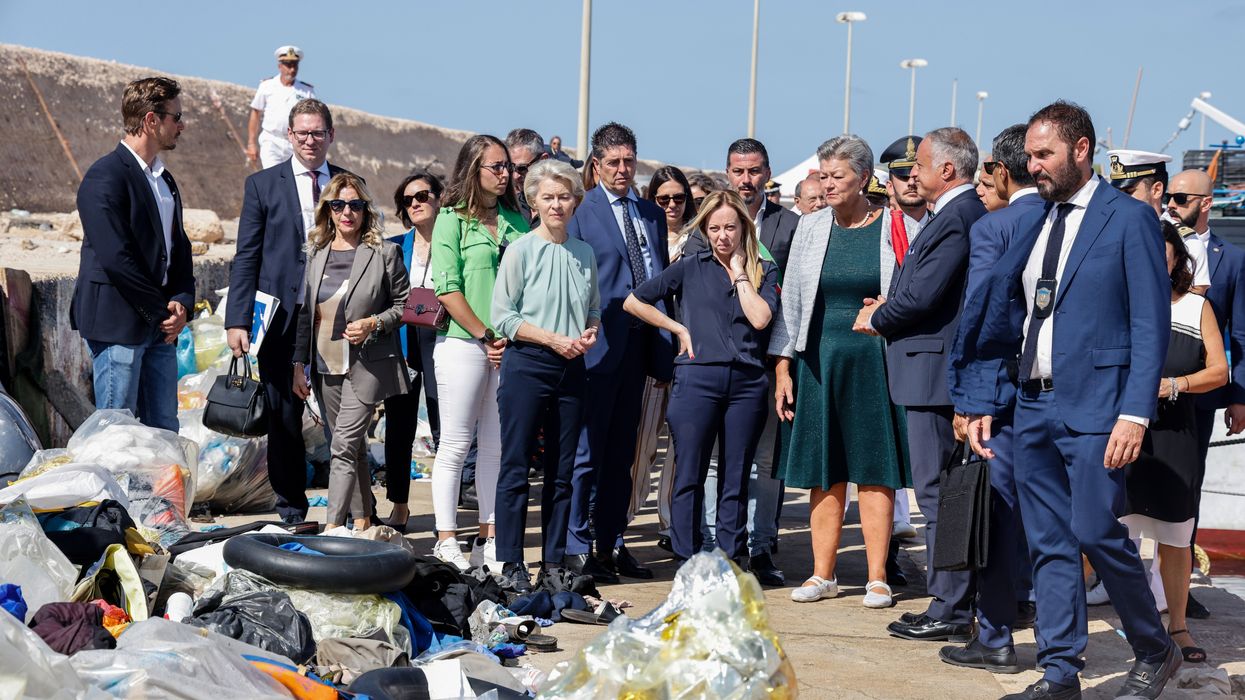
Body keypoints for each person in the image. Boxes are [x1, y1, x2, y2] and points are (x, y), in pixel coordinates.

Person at [956, 100, 1178, 700]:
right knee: (1048, 541)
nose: (1033, 167)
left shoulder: (1127, 219)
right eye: (1028, 156)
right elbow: (1004, 319)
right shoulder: (1032, 219)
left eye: (1044, 154)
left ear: (1082, 150)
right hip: (1030, 405)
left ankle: (1155, 648)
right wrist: (981, 398)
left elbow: (1149, 325)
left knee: (1095, 530)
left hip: (1099, 409)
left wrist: (1134, 412)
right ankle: (1059, 674)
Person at [855, 127, 985, 642]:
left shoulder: (957, 217)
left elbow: (925, 295)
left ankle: (949, 606)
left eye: (920, 167)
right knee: (938, 493)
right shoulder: (951, 215)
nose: (912, 176)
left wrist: (880, 316)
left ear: (947, 170)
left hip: (934, 377)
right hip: (925, 372)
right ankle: (950, 600)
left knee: (938, 495)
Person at [771, 135, 910, 608]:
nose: (827, 184)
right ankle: (821, 574)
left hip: (875, 362)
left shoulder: (894, 225)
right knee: (823, 470)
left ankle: (876, 577)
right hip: (819, 360)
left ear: (864, 179)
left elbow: (913, 291)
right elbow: (791, 300)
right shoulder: (809, 228)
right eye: (823, 175)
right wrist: (783, 364)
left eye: (837, 176)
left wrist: (890, 307)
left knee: (875, 468)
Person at [625, 189, 778, 564]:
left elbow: (760, 318)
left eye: (730, 227)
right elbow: (634, 300)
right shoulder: (691, 265)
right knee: (689, 472)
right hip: (697, 380)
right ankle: (686, 557)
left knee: (736, 476)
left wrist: (741, 273)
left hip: (747, 382)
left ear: (743, 226)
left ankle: (731, 559)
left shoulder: (763, 268)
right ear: (705, 231)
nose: (723, 236)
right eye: (714, 228)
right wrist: (678, 329)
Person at [940, 124, 1043, 675]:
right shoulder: (1070, 221)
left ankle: (998, 636)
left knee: (1000, 517)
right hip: (1066, 400)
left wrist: (968, 401)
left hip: (1003, 398)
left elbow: (980, 319)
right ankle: (1054, 644)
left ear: (1003, 172)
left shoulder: (997, 227)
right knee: (1050, 520)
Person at [227, 98, 351, 524]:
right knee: (284, 418)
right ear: (289, 136)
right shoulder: (263, 185)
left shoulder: (349, 186)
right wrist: (238, 319)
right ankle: (292, 510)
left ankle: (349, 510)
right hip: (281, 318)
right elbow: (247, 255)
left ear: (331, 135)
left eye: (318, 132)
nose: (311, 140)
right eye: (303, 133)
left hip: (335, 317)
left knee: (343, 415)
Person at [685, 138, 799, 586]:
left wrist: (783, 362)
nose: (746, 180)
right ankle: (717, 548)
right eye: (738, 171)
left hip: (768, 361)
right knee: (718, 462)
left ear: (767, 174)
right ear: (728, 173)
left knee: (765, 462)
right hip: (714, 363)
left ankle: (762, 548)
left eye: (754, 171)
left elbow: (795, 298)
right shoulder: (705, 227)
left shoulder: (790, 227)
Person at [563, 122, 671, 584]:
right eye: (614, 162)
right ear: (596, 165)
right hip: (596, 347)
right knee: (587, 454)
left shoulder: (649, 213)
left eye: (629, 160)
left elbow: (659, 274)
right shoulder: (581, 211)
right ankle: (574, 548)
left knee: (622, 455)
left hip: (640, 348)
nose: (623, 169)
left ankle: (610, 544)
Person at [492, 159, 600, 593]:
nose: (557, 204)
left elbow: (592, 308)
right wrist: (553, 340)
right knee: (515, 466)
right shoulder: (519, 249)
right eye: (548, 197)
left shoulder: (584, 253)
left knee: (562, 472)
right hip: (528, 365)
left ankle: (553, 561)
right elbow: (504, 317)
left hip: (573, 366)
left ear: (575, 201)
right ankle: (512, 562)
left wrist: (589, 334)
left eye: (564, 196)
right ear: (533, 202)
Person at [1121, 221, 1226, 666]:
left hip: (1174, 434)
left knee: (1175, 537)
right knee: (1109, 530)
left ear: (1176, 261)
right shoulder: (1117, 303)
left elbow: (1219, 371)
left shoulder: (1196, 307)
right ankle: (1111, 622)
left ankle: (1177, 626)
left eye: (1161, 255)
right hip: (1119, 433)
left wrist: (1176, 384)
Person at [428, 135, 530, 571]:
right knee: (454, 444)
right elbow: (447, 288)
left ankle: (489, 537)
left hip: (507, 346)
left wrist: (509, 337)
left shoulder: (517, 220)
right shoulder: (450, 220)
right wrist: (486, 335)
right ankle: (446, 537)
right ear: (474, 169)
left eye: (507, 166)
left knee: (495, 447)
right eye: (496, 166)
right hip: (464, 344)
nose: (506, 174)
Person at [73, 76, 193, 433]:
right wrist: (161, 311)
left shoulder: (164, 180)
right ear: (151, 120)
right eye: (176, 117)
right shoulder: (105, 177)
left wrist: (183, 302)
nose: (181, 125)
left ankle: (161, 493)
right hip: (118, 325)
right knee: (118, 432)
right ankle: (117, 493)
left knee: (164, 429)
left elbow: (179, 248)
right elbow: (116, 259)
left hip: (160, 326)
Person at [292, 174, 410, 530]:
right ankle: (362, 521)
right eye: (339, 205)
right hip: (326, 366)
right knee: (354, 448)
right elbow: (305, 315)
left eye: (355, 205)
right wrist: (300, 364)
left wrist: (374, 323)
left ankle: (332, 527)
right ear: (327, 210)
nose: (347, 212)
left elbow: (405, 305)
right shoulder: (316, 257)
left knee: (341, 447)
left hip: (368, 366)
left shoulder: (384, 253)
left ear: (365, 211)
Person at [1170, 167, 1245, 619]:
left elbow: (1241, 335)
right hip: (1149, 388)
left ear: (1206, 202)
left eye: (1182, 198)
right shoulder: (1152, 246)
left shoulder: (1232, 260)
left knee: (1187, 486)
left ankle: (1181, 586)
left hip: (1201, 395)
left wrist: (1240, 396)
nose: (1173, 205)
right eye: (1170, 197)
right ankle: (1112, 576)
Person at [633, 165, 699, 551]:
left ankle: (669, 522)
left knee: (679, 444)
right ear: (652, 201)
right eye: (663, 199)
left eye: (679, 198)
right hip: (651, 350)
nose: (672, 205)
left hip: (689, 352)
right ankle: (625, 514)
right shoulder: (646, 236)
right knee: (642, 444)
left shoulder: (699, 239)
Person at [381, 171, 445, 532]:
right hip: (403, 342)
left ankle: (445, 511)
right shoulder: (395, 247)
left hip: (443, 338)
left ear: (439, 197)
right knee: (399, 427)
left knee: (443, 426)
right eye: (408, 200)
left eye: (422, 195)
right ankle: (401, 505)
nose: (416, 203)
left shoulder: (453, 242)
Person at [1107, 149, 1210, 294]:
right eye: (1118, 193)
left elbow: (1192, 307)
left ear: (1156, 190)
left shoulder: (1188, 243)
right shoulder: (1107, 233)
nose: (1121, 199)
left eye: (1129, 192)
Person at [246, 46, 316, 168]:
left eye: (295, 65)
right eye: (288, 65)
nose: (292, 69)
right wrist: (251, 143)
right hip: (272, 140)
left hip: (295, 143)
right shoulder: (267, 86)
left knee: (294, 180)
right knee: (272, 178)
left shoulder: (306, 91)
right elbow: (256, 113)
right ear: (280, 66)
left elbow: (314, 118)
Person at [506, 128, 549, 224]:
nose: (515, 176)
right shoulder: (507, 208)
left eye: (522, 168)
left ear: (543, 160)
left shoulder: (563, 208)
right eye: (510, 167)